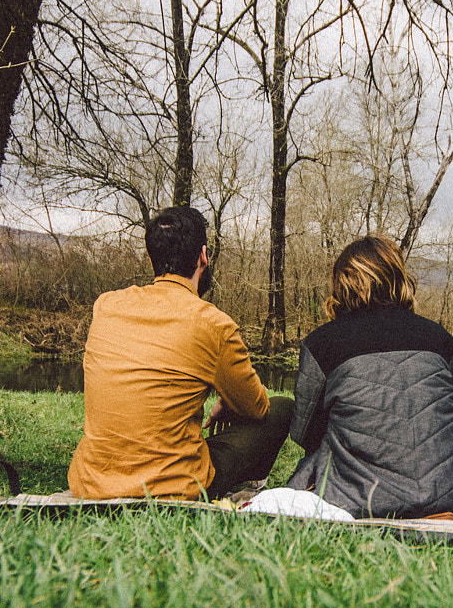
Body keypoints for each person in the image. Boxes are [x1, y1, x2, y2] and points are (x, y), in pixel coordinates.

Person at [68, 206, 294, 500]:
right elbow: (256, 408)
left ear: (151, 258)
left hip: (92, 484)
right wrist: (228, 397)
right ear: (204, 256)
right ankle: (245, 489)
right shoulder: (214, 324)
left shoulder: (105, 306)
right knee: (280, 408)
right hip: (173, 488)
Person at [285, 236, 453, 519]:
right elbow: (448, 415)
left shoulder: (321, 343)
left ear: (342, 284)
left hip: (359, 501)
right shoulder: (442, 339)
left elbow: (305, 433)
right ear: (398, 278)